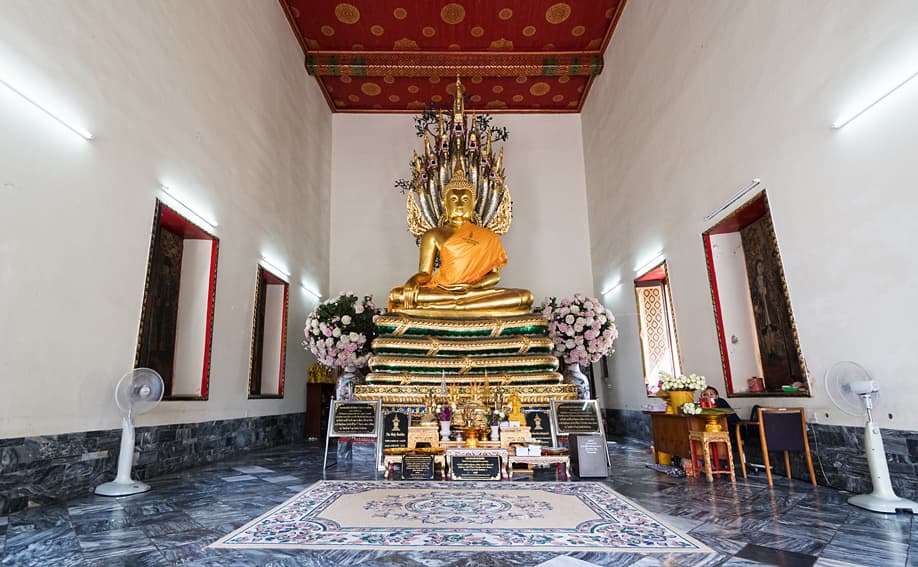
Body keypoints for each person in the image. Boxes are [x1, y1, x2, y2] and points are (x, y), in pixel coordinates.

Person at [388, 165, 533, 315]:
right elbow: (425, 273)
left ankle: (450, 308)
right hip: (443, 291)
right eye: (453, 199)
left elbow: (495, 275)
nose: (459, 204)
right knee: (397, 295)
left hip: (474, 293)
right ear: (444, 203)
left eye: (465, 199)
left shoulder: (487, 235)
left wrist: (472, 288)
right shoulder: (433, 235)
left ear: (474, 203)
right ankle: (456, 306)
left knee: (524, 297)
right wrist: (413, 281)